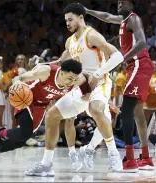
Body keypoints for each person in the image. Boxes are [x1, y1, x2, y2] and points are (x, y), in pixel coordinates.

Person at [25, 3, 124, 177]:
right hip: (79, 85)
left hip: (99, 82)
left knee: (96, 110)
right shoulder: (70, 41)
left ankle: (114, 155)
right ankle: (46, 164)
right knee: (52, 116)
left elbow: (118, 55)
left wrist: (98, 73)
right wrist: (41, 65)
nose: (68, 23)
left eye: (70, 19)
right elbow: (60, 62)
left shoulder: (91, 35)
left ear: (81, 17)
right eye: (66, 21)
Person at [0, 59, 83, 174]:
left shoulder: (73, 85)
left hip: (41, 107)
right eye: (70, 78)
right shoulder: (47, 72)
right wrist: (18, 83)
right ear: (62, 72)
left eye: (74, 79)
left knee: (20, 141)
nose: (71, 82)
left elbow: (51, 95)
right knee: (25, 132)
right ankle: (0, 133)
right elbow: (21, 78)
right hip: (26, 98)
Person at [85, 0, 155, 172]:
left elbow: (142, 43)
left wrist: (122, 58)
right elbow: (107, 17)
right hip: (136, 66)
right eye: (118, 2)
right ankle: (145, 158)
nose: (119, 4)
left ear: (132, 4)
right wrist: (87, 11)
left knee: (126, 110)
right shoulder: (124, 20)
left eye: (123, 2)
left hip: (139, 64)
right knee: (138, 113)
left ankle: (130, 159)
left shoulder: (133, 19)